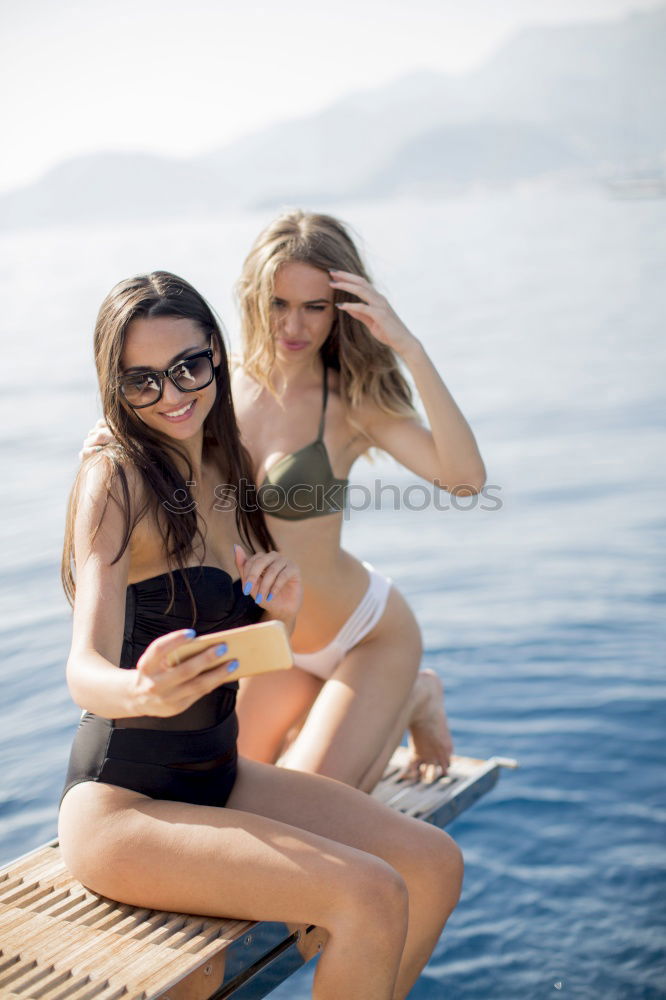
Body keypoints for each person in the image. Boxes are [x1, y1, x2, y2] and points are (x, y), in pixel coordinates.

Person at [58, 271, 463, 1000]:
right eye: (142, 381)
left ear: (215, 352)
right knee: (367, 894)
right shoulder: (113, 478)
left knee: (432, 865)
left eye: (187, 366)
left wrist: (276, 614)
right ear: (115, 387)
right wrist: (138, 690)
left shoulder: (227, 464)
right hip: (122, 806)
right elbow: (84, 669)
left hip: (219, 777)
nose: (172, 393)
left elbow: (251, 648)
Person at [81, 211, 486, 792]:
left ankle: (413, 692)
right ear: (252, 298)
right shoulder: (209, 391)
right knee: (234, 795)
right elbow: (153, 432)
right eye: (278, 303)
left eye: (315, 306)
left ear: (341, 308)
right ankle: (346, 706)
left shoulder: (350, 400)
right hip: (275, 639)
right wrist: (113, 436)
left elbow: (466, 480)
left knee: (325, 803)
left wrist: (409, 346)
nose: (294, 324)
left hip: (365, 631)